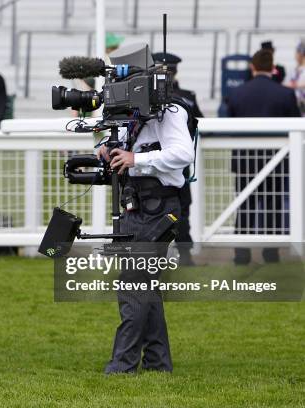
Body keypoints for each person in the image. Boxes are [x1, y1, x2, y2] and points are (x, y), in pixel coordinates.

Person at [96, 44, 195, 374]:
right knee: (145, 285)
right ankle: (157, 363)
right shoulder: (132, 113)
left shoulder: (170, 111)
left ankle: (122, 367)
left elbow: (183, 154)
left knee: (133, 284)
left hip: (158, 208)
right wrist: (107, 150)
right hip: (135, 206)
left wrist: (138, 160)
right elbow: (122, 146)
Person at [226, 49, 301, 265]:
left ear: (253, 67)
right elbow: (295, 124)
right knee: (273, 205)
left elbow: (227, 126)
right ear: (273, 68)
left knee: (244, 205)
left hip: (244, 160)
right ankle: (271, 252)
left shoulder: (237, 93)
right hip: (276, 159)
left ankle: (242, 253)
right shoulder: (285, 94)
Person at [152, 52, 203, 265]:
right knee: (182, 209)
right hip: (174, 164)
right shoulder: (186, 97)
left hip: (157, 162)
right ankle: (185, 255)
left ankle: (164, 255)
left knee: (161, 208)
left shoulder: (178, 97)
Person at [287, 39, 305, 115]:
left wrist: (295, 85)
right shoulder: (295, 70)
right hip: (295, 105)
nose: (295, 55)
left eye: (297, 52)